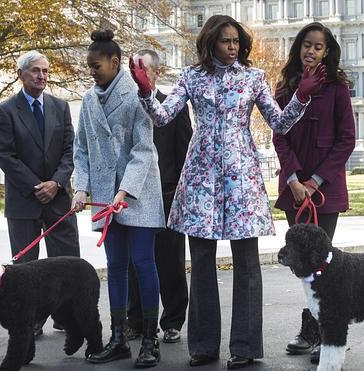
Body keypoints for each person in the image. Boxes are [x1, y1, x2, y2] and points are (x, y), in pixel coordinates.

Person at [130, 14, 325, 370]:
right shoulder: (191, 77)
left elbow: (279, 123)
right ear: (210, 43)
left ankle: (246, 347)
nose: (233, 47)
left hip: (241, 180)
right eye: (226, 41)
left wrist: (300, 97)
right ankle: (203, 346)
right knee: (202, 262)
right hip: (200, 179)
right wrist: (145, 92)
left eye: (237, 41)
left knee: (248, 265)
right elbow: (162, 116)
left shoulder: (253, 78)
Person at [71, 30, 165, 368]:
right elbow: (81, 149)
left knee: (143, 263)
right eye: (89, 67)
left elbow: (143, 150)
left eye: (96, 66)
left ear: (114, 62)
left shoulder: (137, 94)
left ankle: (150, 340)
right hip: (104, 198)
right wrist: (81, 188)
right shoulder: (87, 100)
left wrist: (123, 192)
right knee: (115, 269)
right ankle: (119, 338)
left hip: (137, 196)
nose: (91, 72)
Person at [273, 22, 356, 364]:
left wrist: (316, 181)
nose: (311, 51)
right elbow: (280, 136)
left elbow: (345, 140)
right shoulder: (283, 89)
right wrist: (294, 180)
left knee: (321, 265)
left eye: (318, 47)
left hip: (325, 189)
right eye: (307, 45)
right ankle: (311, 333)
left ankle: (324, 334)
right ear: (299, 48)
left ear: (327, 51)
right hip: (294, 190)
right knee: (302, 266)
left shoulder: (337, 90)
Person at [0, 50, 80, 337]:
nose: (42, 76)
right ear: (21, 74)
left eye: (45, 71)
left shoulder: (60, 106)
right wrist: (36, 186)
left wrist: (55, 183)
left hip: (59, 199)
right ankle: (30, 321)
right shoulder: (5, 111)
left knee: (66, 262)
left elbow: (70, 151)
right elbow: (5, 156)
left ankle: (66, 317)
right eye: (35, 71)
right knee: (26, 268)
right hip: (23, 201)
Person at [125, 49, 192, 345]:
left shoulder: (173, 106)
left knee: (171, 262)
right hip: (133, 196)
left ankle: (173, 320)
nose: (137, 75)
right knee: (135, 262)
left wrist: (180, 193)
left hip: (167, 194)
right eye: (133, 69)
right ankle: (136, 320)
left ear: (157, 73)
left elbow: (185, 151)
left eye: (144, 69)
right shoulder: (126, 106)